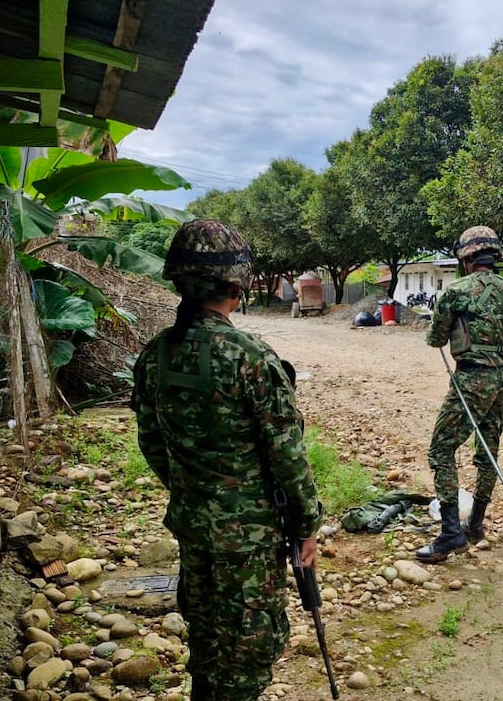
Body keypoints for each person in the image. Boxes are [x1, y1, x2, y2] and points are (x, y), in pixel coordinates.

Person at [130, 219, 322, 699]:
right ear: (237, 284)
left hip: (194, 525)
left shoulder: (156, 353)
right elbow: (287, 455)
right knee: (250, 648)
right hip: (250, 537)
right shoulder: (248, 355)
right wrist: (306, 526)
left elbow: (152, 441)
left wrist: (192, 492)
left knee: (208, 638)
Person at [415, 225, 503, 564]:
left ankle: (450, 533)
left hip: (471, 379)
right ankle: (475, 524)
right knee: (487, 451)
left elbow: (435, 339)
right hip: (500, 379)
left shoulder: (457, 290)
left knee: (442, 449)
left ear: (466, 256)